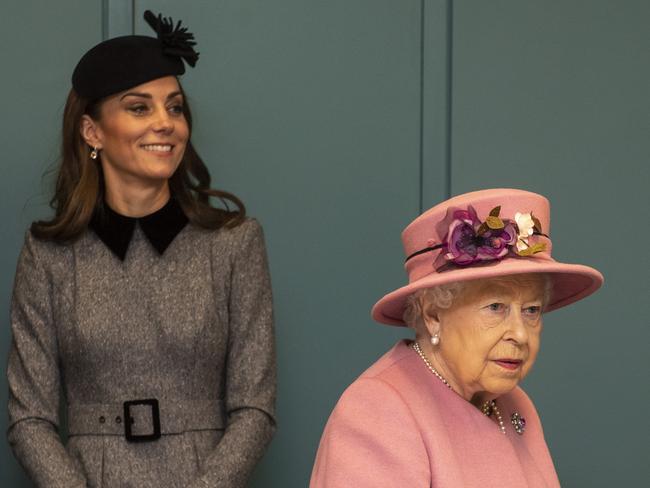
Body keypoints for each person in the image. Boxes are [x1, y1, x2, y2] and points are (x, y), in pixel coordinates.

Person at [6, 10, 276, 488]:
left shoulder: (234, 243)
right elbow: (29, 419)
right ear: (93, 132)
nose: (165, 123)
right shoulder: (49, 254)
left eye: (174, 107)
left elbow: (254, 407)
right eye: (139, 107)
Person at [310, 188, 603, 487]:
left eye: (531, 310)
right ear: (434, 314)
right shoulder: (377, 411)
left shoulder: (514, 403)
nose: (519, 334)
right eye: (495, 307)